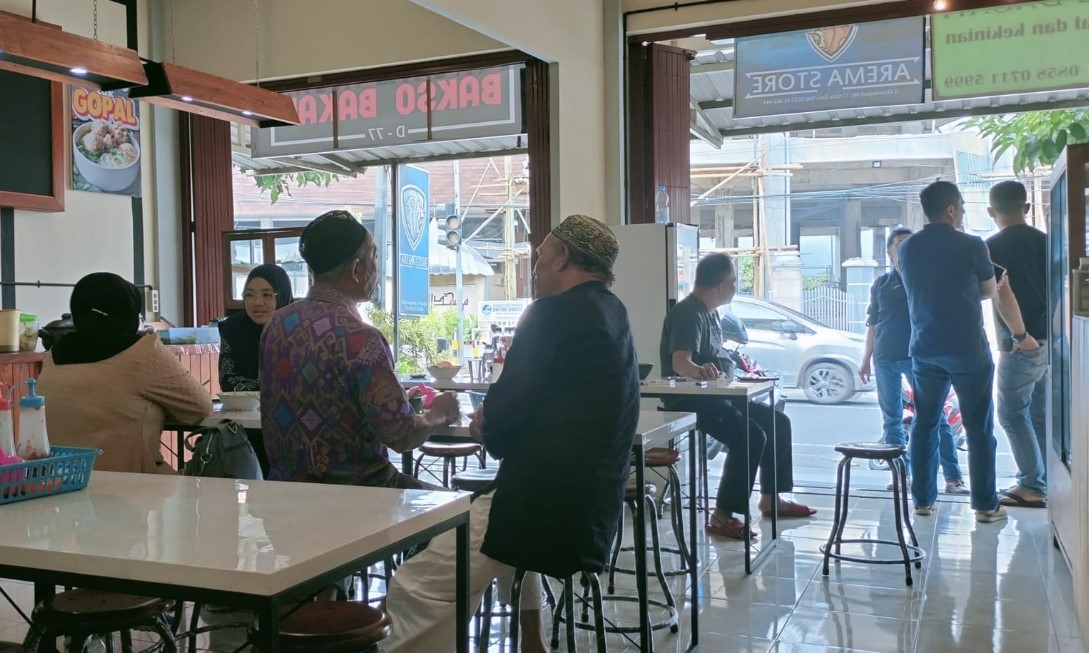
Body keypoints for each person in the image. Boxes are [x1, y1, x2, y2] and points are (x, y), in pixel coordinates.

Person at [385, 215, 640, 652]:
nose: (534, 266)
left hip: (538, 508)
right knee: (498, 541)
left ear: (562, 257)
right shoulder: (614, 312)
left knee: (416, 585)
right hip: (590, 510)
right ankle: (532, 642)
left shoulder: (551, 313)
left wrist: (489, 425)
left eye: (540, 255)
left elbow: (502, 422)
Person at [259, 210, 460, 488]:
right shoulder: (361, 339)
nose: (378, 269)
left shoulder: (276, 327)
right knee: (465, 510)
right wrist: (439, 413)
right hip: (362, 499)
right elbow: (401, 435)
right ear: (356, 270)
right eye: (375, 258)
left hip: (285, 498)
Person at [898, 180, 1037, 523]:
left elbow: (915, 288)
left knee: (925, 424)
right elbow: (989, 290)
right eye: (960, 206)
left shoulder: (908, 248)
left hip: (924, 349)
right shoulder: (972, 245)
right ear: (950, 209)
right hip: (967, 350)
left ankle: (922, 501)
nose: (961, 212)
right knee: (978, 429)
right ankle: (985, 505)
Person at [660, 253, 814, 541]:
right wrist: (700, 371)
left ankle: (771, 499)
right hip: (694, 401)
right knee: (751, 435)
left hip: (718, 396)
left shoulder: (710, 313)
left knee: (777, 422)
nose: (734, 287)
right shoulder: (688, 313)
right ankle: (722, 515)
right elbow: (681, 362)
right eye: (733, 282)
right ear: (721, 285)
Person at [36, 272, 212, 473]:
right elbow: (201, 407)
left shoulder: (53, 355)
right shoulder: (143, 351)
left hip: (60, 486)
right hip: (133, 489)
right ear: (128, 311)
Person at [858, 227, 969, 495]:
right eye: (899, 245)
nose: (905, 249)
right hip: (885, 359)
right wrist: (865, 360)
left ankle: (953, 477)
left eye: (910, 244)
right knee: (892, 421)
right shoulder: (881, 284)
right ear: (890, 251)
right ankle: (901, 475)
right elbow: (873, 323)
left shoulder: (926, 281)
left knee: (935, 417)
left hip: (919, 358)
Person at [986, 180, 1049, 509]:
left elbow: (1002, 292)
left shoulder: (990, 247)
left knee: (1011, 414)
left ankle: (1031, 484)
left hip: (1020, 345)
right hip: (1050, 342)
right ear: (1026, 208)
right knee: (1038, 415)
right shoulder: (1046, 242)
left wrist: (1020, 336)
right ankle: (1044, 482)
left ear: (990, 212)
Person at [217, 264, 294, 392]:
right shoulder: (233, 328)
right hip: (244, 408)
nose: (257, 303)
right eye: (249, 295)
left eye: (267, 295)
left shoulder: (299, 328)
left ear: (283, 296)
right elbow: (227, 381)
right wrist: (274, 385)